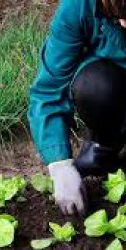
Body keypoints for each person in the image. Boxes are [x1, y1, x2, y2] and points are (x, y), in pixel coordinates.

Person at [28, 0, 126, 216]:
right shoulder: (80, 6)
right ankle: (105, 147)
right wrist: (59, 165)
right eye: (119, 16)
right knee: (94, 86)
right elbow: (48, 90)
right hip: (116, 88)